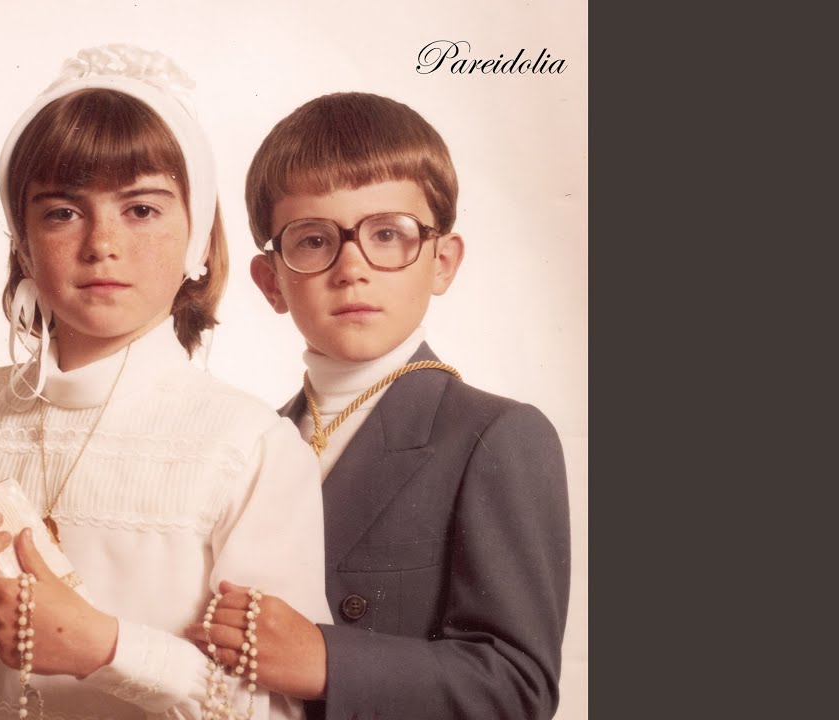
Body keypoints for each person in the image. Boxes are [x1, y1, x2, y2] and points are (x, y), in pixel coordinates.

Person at [0, 44, 331, 720]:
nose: (101, 244)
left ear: (199, 239)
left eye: (141, 210)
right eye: (62, 212)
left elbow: (276, 707)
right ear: (22, 242)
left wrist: (106, 649)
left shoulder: (248, 445)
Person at [188, 92, 571, 719]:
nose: (352, 268)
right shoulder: (246, 440)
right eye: (314, 240)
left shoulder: (495, 435)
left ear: (442, 262)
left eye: (388, 234)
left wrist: (325, 661)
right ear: (271, 281)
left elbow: (518, 687)